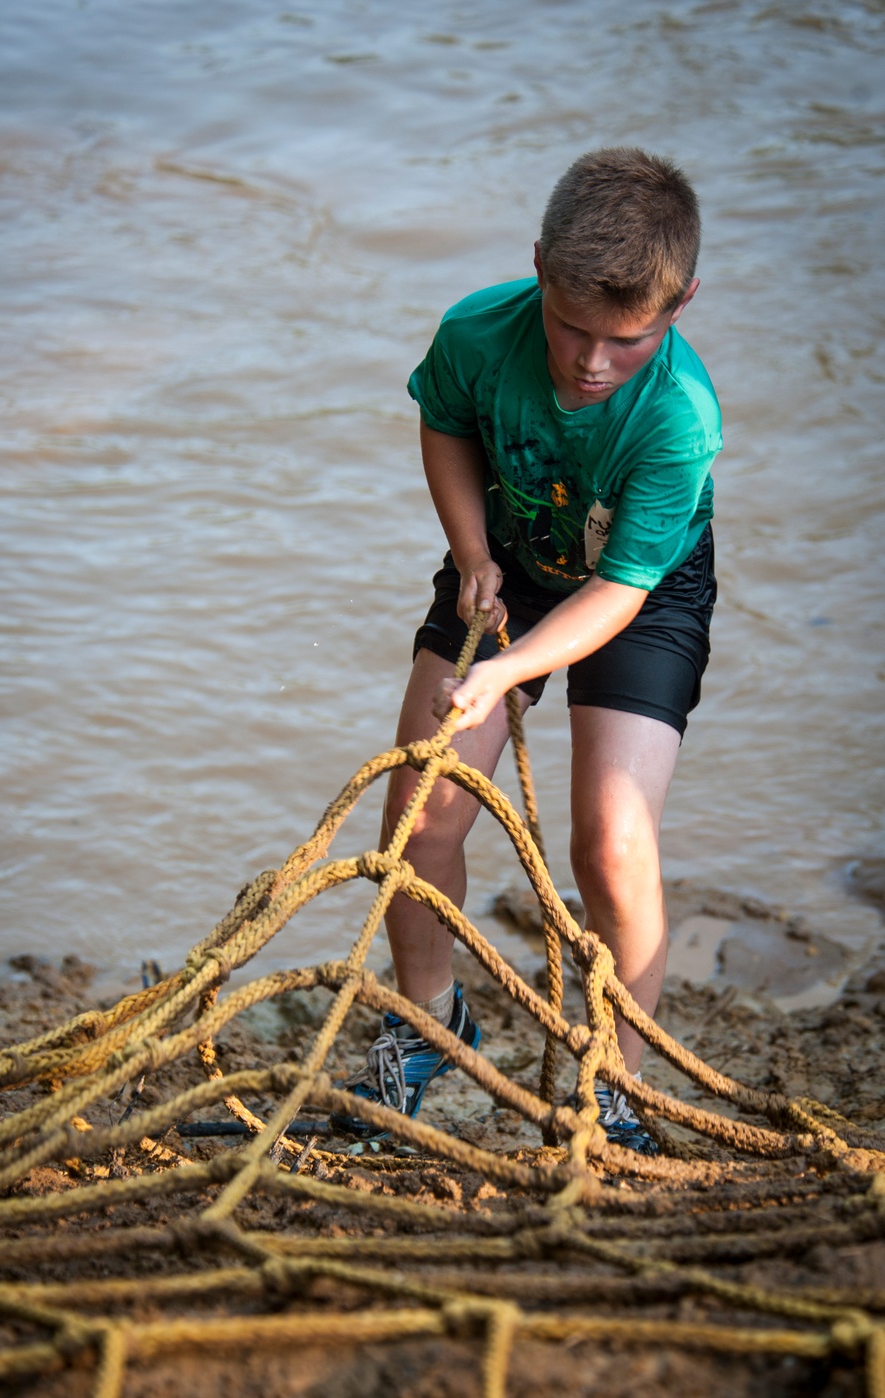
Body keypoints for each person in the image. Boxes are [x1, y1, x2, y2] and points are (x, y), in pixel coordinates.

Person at [334, 148, 721, 1155]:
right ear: (539, 266)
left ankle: (615, 1084)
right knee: (420, 815)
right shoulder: (473, 332)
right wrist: (470, 552)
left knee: (609, 841)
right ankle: (424, 1022)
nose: (591, 364)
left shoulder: (678, 419)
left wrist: (508, 669)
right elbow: (445, 423)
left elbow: (620, 589)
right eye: (570, 328)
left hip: (638, 587)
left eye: (625, 341)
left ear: (678, 306)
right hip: (506, 550)